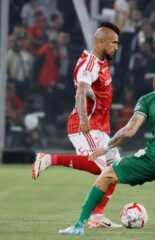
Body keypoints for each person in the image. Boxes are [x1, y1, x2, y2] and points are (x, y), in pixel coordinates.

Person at [58, 63, 155, 236]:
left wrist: (105, 147)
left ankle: (79, 226)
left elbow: (129, 131)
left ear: (154, 82)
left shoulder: (148, 99)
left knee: (107, 175)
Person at [32, 22, 122, 228]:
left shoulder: (102, 61)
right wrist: (83, 119)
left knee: (116, 169)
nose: (116, 47)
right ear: (100, 41)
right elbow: (81, 91)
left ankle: (97, 216)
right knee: (98, 167)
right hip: (85, 125)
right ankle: (48, 159)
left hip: (100, 128)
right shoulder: (88, 64)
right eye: (114, 42)